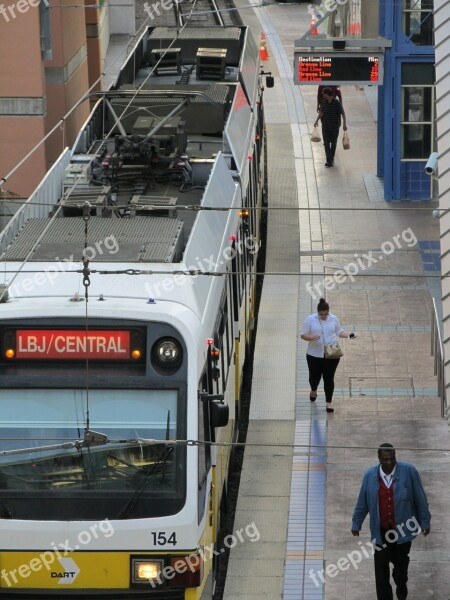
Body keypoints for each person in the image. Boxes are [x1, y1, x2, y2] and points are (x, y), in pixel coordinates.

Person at [351, 443, 431, 600]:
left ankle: (401, 589)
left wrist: (424, 522)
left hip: (402, 531)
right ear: (379, 459)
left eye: (392, 458)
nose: (389, 462)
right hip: (381, 532)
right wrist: (356, 523)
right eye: (385, 459)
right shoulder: (370, 475)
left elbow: (420, 499)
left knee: (400, 571)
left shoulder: (409, 471)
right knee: (381, 573)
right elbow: (363, 501)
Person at [300, 297, 355, 413]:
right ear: (318, 312)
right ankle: (313, 389)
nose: (324, 316)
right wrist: (311, 337)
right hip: (314, 354)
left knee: (329, 378)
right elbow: (303, 335)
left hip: (331, 355)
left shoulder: (334, 319)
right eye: (321, 314)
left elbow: (339, 331)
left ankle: (328, 403)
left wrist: (349, 334)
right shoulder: (310, 319)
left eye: (326, 314)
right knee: (314, 377)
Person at [314, 87, 347, 167]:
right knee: (326, 143)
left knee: (334, 142)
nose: (322, 95)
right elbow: (321, 113)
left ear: (327, 94)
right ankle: (329, 161)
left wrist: (344, 124)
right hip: (325, 127)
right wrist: (316, 120)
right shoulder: (324, 102)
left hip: (335, 127)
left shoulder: (336, 102)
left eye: (323, 93)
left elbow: (342, 113)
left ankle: (331, 158)